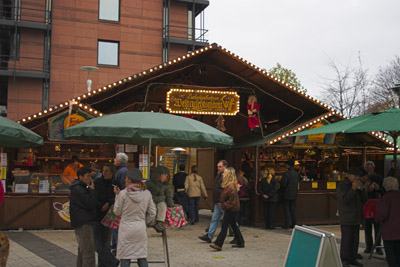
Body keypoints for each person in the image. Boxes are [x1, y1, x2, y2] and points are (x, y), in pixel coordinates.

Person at [113, 169, 156, 267]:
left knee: (125, 257)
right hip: (140, 228)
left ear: (129, 180)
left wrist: (117, 196)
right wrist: (144, 221)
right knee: (141, 256)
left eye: (126, 178)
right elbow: (152, 212)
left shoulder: (123, 194)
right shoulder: (147, 193)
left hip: (126, 229)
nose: (125, 180)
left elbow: (117, 212)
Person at [337, 167, 368, 267]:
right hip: (346, 216)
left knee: (355, 239)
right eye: (354, 176)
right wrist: (353, 189)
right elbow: (344, 200)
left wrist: (362, 190)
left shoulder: (358, 184)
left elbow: (364, 199)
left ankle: (353, 257)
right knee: (347, 239)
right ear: (348, 175)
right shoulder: (342, 185)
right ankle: (345, 259)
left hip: (356, 216)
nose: (356, 178)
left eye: (357, 176)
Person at [210, 167, 245, 251]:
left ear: (228, 175)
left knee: (224, 226)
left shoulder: (231, 187)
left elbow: (231, 202)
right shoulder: (229, 185)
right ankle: (240, 241)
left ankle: (218, 244)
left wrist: (223, 204)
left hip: (231, 209)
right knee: (233, 225)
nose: (223, 174)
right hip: (232, 208)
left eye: (224, 173)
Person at [69, 166, 97, 267]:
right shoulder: (79, 189)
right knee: (88, 251)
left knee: (83, 249)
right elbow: (89, 203)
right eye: (87, 176)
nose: (89, 179)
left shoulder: (80, 187)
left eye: (90, 176)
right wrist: (92, 190)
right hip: (83, 222)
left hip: (83, 220)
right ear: (80, 177)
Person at [93, 163, 118, 267]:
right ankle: (113, 262)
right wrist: (101, 205)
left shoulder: (115, 183)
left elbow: (117, 198)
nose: (104, 173)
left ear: (112, 172)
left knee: (106, 244)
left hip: (109, 216)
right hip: (97, 215)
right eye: (103, 170)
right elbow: (94, 196)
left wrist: (109, 202)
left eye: (107, 171)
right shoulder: (97, 182)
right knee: (97, 245)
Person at [199, 160, 228, 243]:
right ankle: (209, 235)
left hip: (223, 203)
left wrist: (223, 201)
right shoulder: (219, 175)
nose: (218, 168)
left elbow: (226, 191)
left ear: (225, 167)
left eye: (220, 167)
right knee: (214, 219)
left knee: (230, 220)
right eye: (218, 166)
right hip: (218, 202)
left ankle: (237, 236)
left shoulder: (226, 177)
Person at [375, 177, 400, 267]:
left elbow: (382, 214)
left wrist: (377, 219)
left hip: (390, 231)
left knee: (391, 256)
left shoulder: (386, 198)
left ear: (386, 186)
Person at [362, 161, 384, 255]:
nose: (369, 170)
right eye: (367, 169)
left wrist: (378, 188)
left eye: (370, 168)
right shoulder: (363, 178)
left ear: (373, 168)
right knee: (367, 227)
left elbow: (384, 190)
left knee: (377, 227)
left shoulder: (379, 177)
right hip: (366, 204)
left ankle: (378, 246)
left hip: (376, 204)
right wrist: (365, 188)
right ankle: (369, 246)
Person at [146, 165, 174, 233]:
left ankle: (160, 223)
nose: (166, 177)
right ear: (158, 175)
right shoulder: (149, 183)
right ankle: (149, 223)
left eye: (167, 176)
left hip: (160, 202)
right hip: (150, 201)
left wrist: (171, 205)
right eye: (164, 175)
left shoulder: (165, 185)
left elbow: (168, 195)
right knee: (153, 211)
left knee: (163, 206)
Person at [112, 152, 129, 251]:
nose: (114, 160)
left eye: (115, 158)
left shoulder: (122, 171)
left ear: (120, 161)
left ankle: (117, 244)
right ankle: (115, 243)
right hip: (118, 196)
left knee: (117, 223)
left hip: (120, 198)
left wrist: (119, 194)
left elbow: (123, 186)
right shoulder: (121, 170)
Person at [280, 159, 299, 229]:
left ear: (288, 165)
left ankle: (287, 224)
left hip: (287, 193)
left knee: (286, 209)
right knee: (293, 209)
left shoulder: (287, 174)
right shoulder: (296, 173)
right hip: (294, 193)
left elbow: (283, 184)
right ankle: (294, 223)